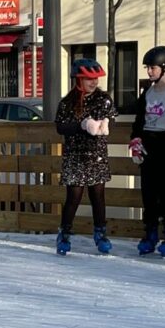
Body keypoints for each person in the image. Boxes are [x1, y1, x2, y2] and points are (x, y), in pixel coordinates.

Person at [55, 57, 116, 255]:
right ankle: (64, 232)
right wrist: (81, 126)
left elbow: (111, 116)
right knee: (73, 196)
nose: (94, 82)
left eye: (96, 78)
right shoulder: (67, 102)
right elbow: (60, 127)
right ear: (78, 79)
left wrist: (106, 123)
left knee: (98, 196)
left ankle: (100, 232)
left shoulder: (103, 99)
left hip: (96, 155)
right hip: (76, 155)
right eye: (89, 78)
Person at [129, 45, 165, 256]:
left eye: (152, 67)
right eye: (148, 68)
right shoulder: (148, 93)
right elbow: (138, 121)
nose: (149, 72)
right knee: (148, 193)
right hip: (149, 145)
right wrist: (135, 140)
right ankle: (150, 232)